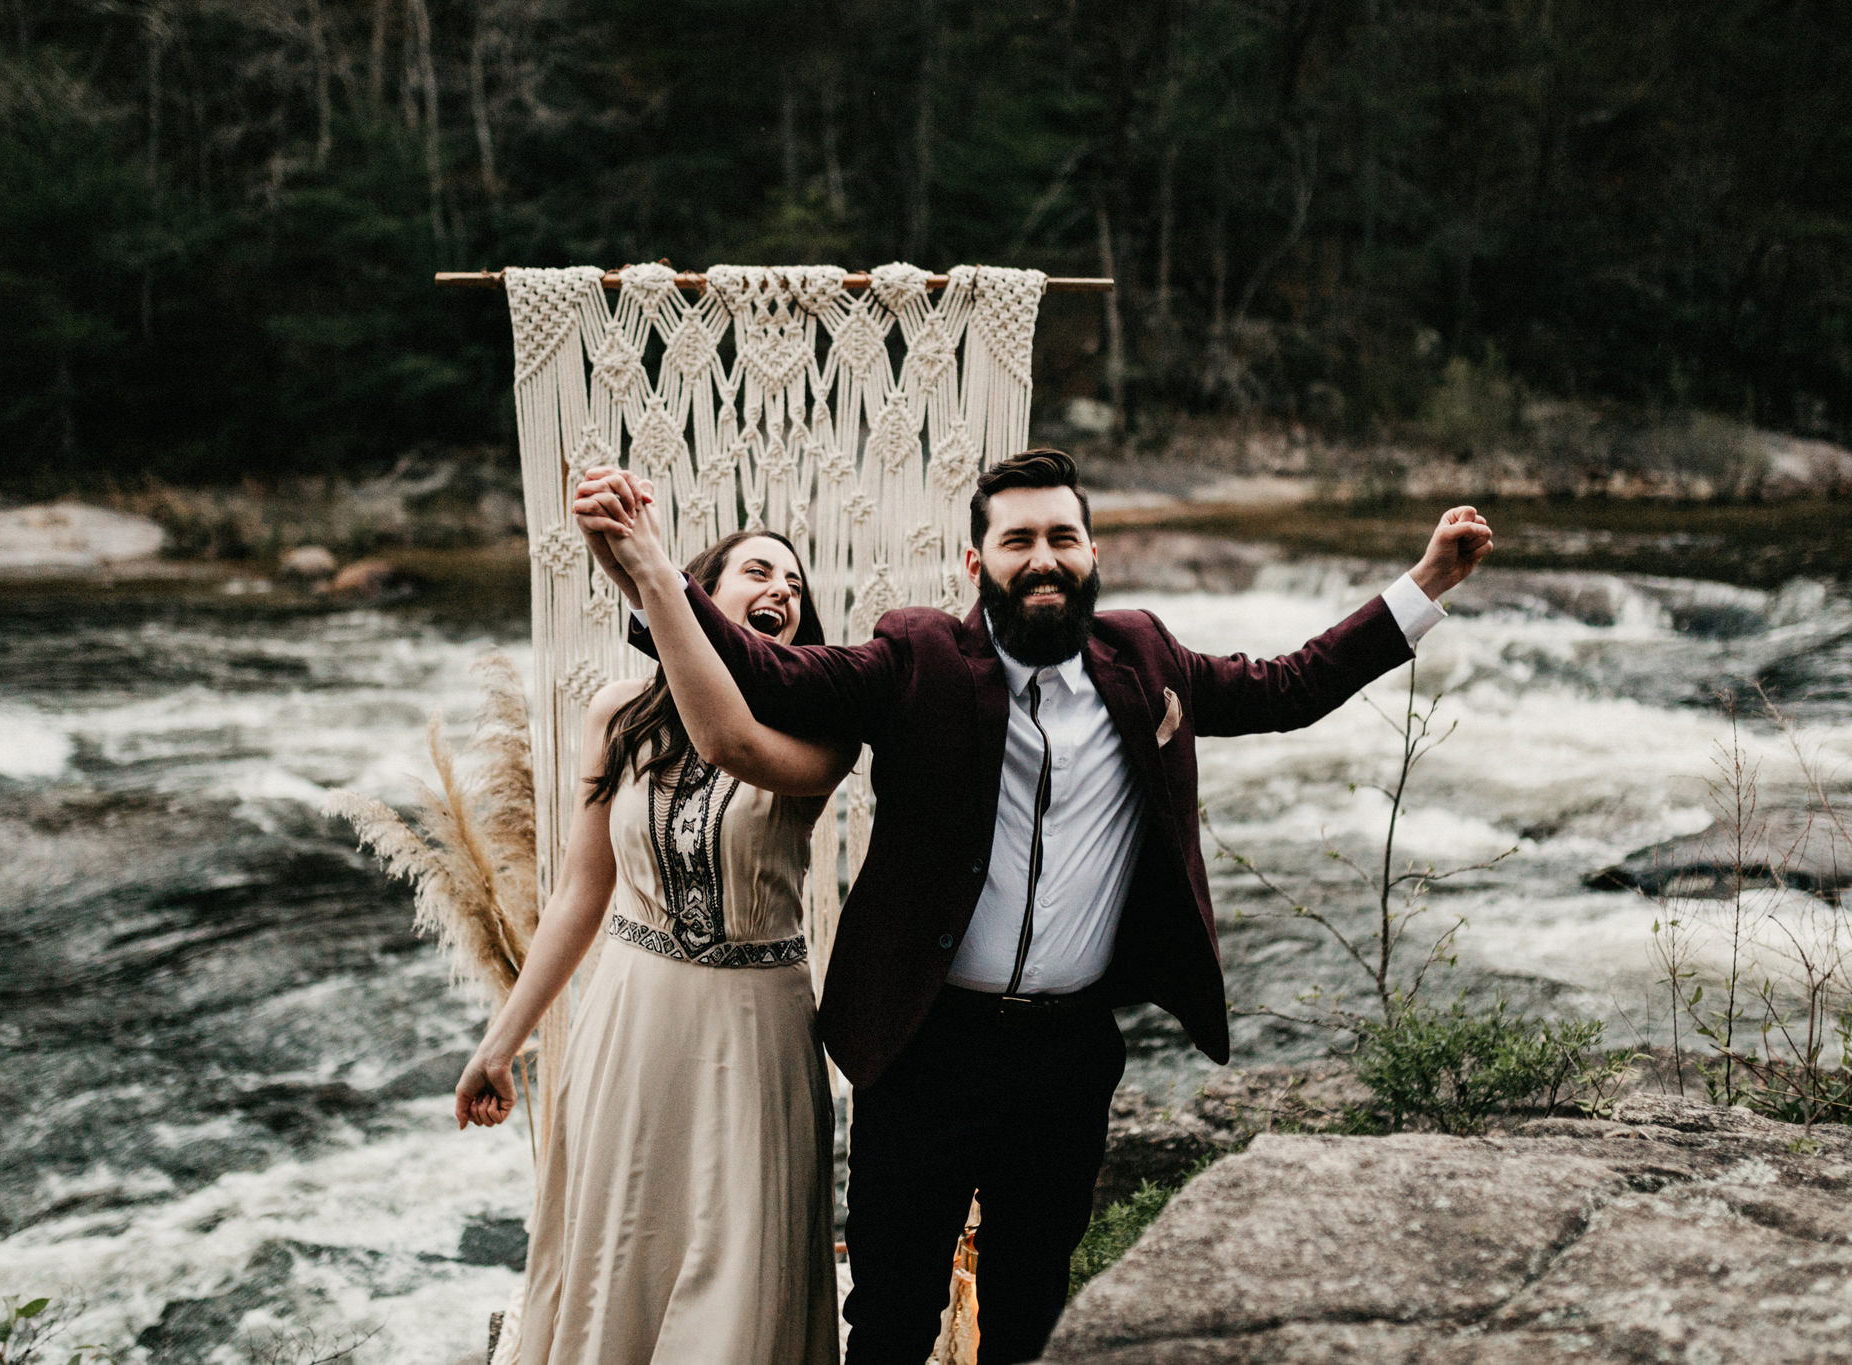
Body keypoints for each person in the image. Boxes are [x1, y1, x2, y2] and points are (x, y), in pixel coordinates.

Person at [573, 449, 1493, 1365]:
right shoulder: (916, 656)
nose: (1043, 557)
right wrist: (655, 571)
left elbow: (1291, 687)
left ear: (1093, 555)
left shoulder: (1146, 658)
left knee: (1030, 1314)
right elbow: (773, 676)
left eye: (1064, 536)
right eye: (1018, 539)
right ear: (978, 565)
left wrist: (1426, 583)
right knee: (891, 1317)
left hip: (1066, 1054)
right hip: (924, 1046)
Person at [452, 528, 857, 1365]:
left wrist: (648, 574)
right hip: (632, 1024)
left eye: (794, 581)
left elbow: (729, 744)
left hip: (757, 1034)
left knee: (740, 1270)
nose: (780, 586)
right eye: (757, 570)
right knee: (620, 1262)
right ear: (706, 589)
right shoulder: (618, 711)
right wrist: (501, 1042)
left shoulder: (825, 726)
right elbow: (579, 895)